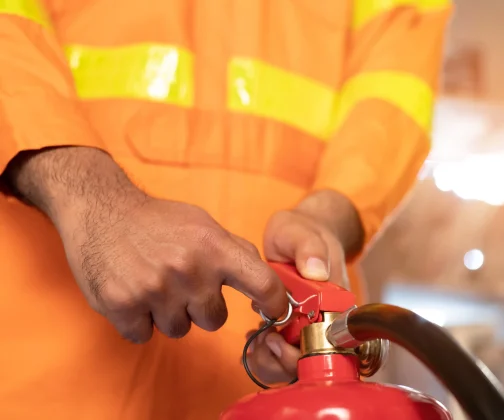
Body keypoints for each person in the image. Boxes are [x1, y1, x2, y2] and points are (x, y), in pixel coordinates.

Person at [0, 0, 451, 418]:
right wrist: (87, 195)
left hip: (277, 373)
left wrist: (329, 215)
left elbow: (395, 75)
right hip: (43, 340)